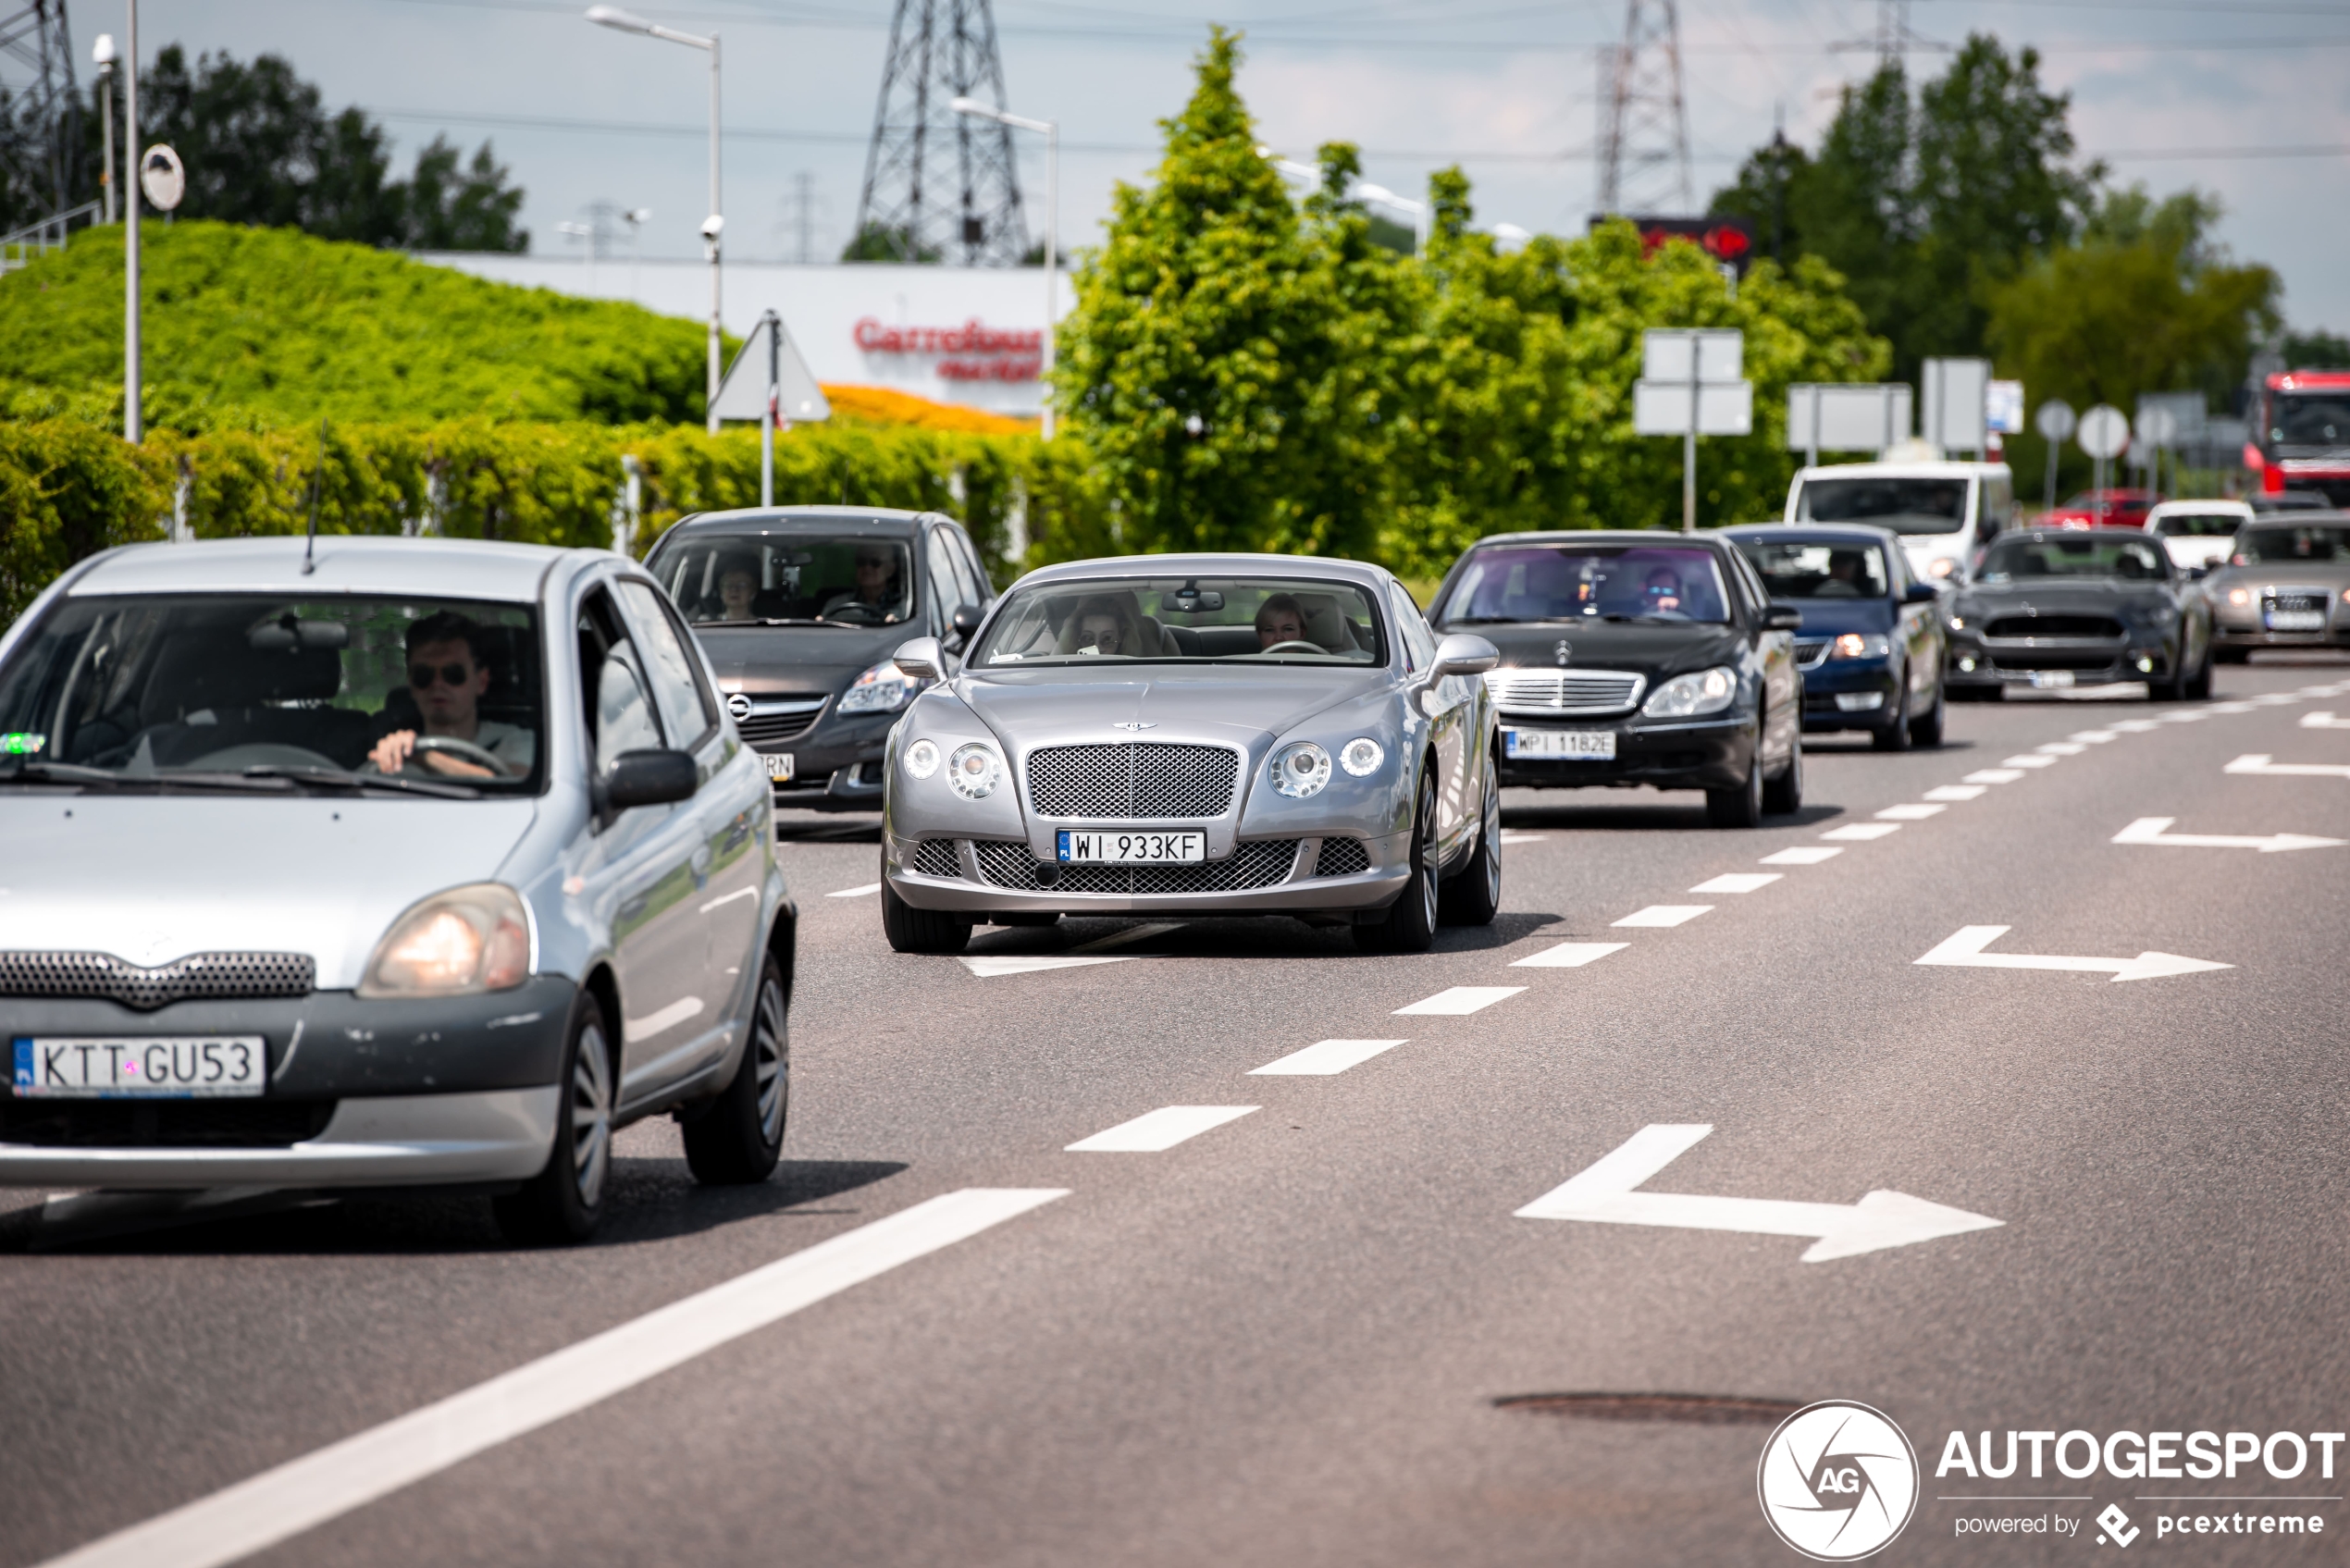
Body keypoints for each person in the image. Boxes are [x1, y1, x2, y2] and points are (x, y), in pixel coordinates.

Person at [367, 611, 534, 779]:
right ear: (411, 683)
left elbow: (513, 788)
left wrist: (424, 757)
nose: (437, 684)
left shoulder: (515, 741)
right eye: (423, 675)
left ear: (481, 682)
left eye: (453, 674)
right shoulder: (392, 756)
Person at [822, 546, 907, 622]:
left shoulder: (905, 607)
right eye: (861, 562)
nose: (867, 567)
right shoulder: (835, 604)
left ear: (890, 569)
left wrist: (897, 626)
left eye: (875, 562)